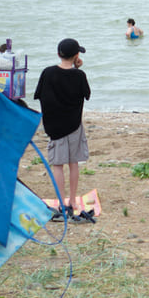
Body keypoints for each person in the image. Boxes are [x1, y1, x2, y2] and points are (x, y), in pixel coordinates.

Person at [34, 38, 93, 223]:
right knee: (73, 162)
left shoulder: (48, 73)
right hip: (74, 125)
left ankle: (61, 202)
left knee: (58, 164)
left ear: (58, 54)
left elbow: (38, 95)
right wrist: (77, 69)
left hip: (54, 126)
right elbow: (87, 95)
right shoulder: (79, 75)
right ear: (77, 56)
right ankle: (73, 200)